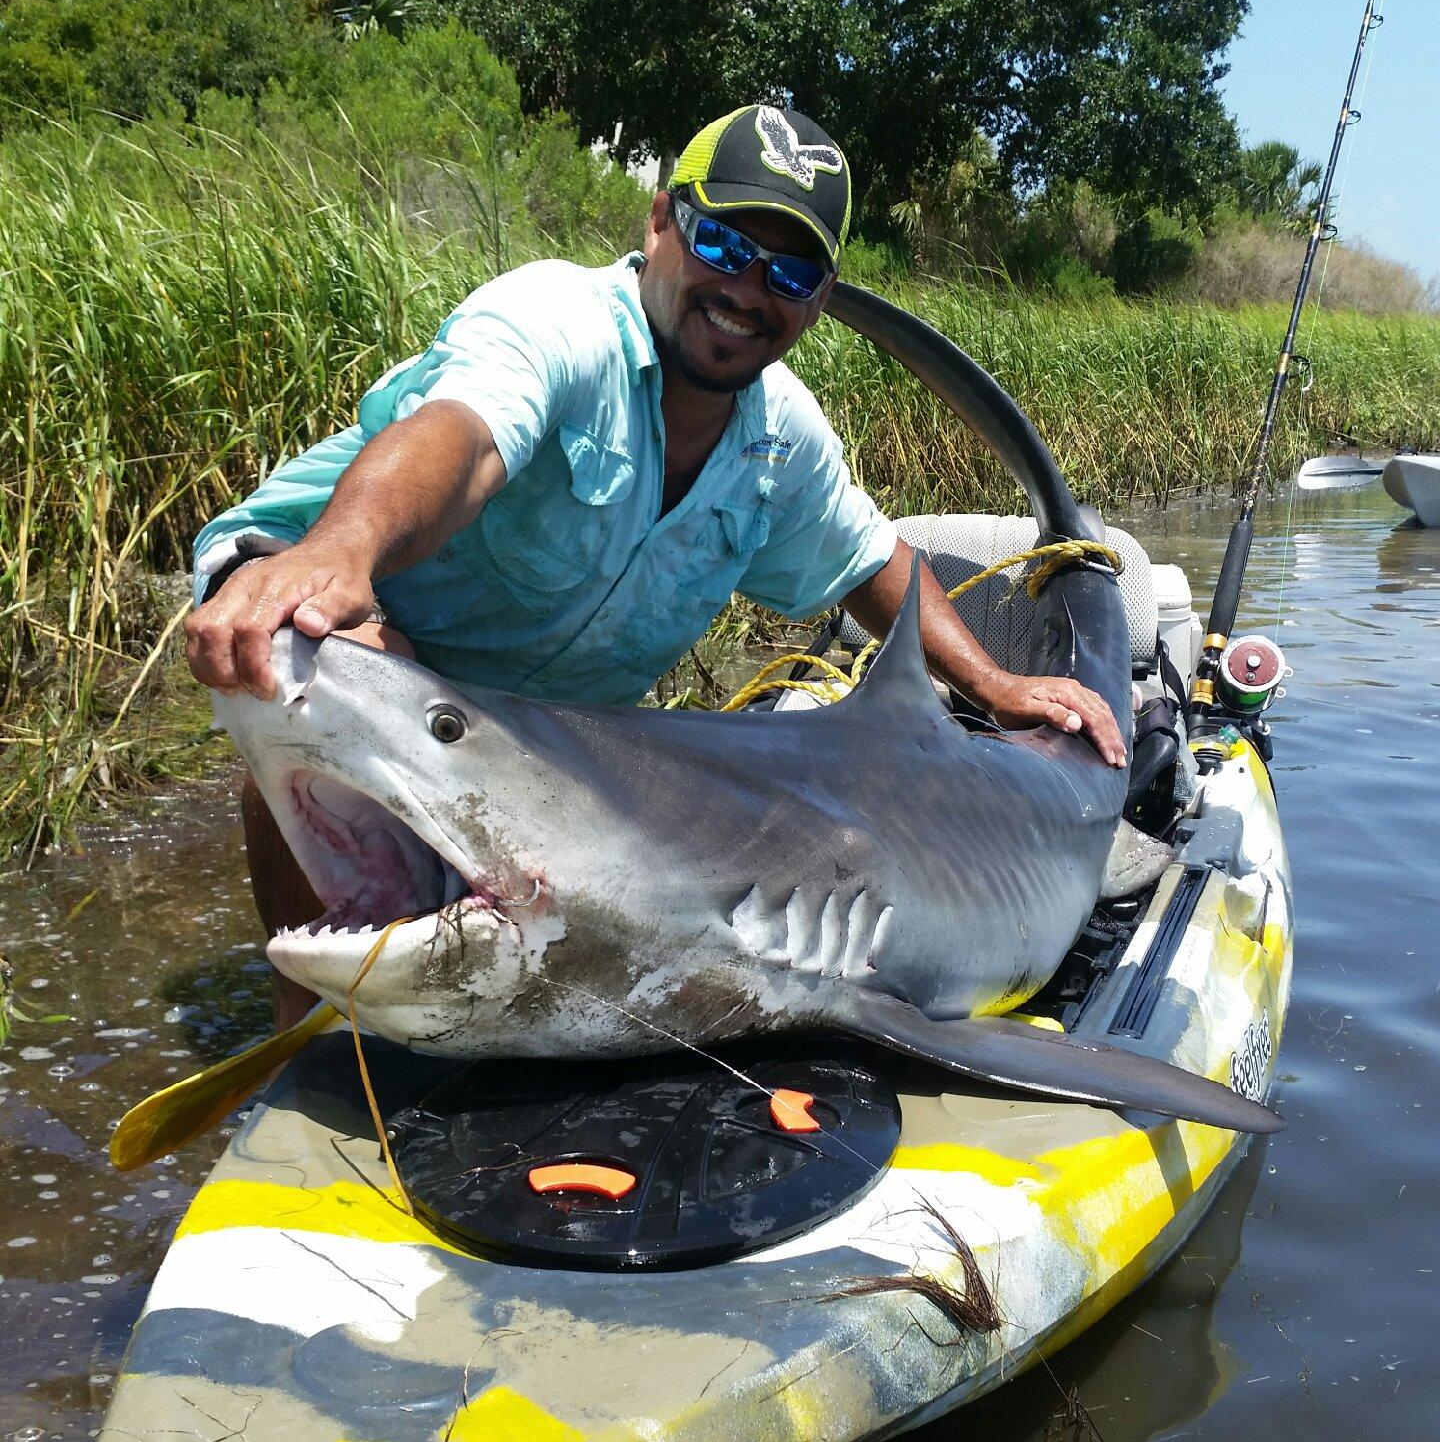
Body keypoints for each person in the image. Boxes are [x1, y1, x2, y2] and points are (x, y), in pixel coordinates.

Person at [187, 101, 1124, 1017]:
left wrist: (996, 684)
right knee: (330, 693)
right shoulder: (561, 321)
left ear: (821, 300)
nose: (747, 291)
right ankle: (304, 1031)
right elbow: (466, 439)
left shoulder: (779, 436)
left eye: (790, 275)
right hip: (343, 610)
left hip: (557, 731)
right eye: (721, 246)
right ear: (661, 221)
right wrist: (338, 553)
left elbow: (868, 561)